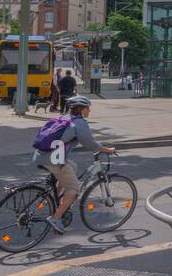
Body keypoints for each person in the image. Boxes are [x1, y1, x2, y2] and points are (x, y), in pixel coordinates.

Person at [34, 95, 116, 235]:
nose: (89, 110)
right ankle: (56, 218)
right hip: (54, 160)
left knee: (72, 166)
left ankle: (56, 198)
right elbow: (90, 144)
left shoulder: (64, 118)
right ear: (81, 109)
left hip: (41, 155)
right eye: (88, 108)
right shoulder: (79, 123)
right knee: (74, 189)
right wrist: (108, 150)